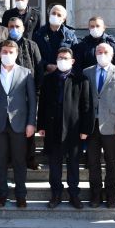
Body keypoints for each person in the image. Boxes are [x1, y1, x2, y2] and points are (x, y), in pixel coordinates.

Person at [0, 40, 36, 208]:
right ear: (0, 54)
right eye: (4, 52)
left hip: (19, 124)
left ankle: (21, 195)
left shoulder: (26, 73)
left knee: (19, 161)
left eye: (11, 52)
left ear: (16, 53)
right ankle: (2, 195)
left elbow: (32, 100)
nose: (7, 55)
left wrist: (31, 123)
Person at [38, 48, 89, 209]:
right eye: (60, 57)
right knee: (54, 164)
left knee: (73, 163)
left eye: (66, 58)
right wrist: (41, 125)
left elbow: (86, 106)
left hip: (74, 129)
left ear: (72, 61)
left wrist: (85, 129)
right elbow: (43, 104)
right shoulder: (48, 79)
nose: (62, 60)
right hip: (53, 128)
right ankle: (56, 194)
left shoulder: (81, 79)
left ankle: (74, 194)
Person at [82, 43, 115, 208]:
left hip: (112, 125)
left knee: (111, 162)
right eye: (99, 52)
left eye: (105, 52)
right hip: (91, 126)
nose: (102, 54)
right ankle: (96, 194)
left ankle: (111, 195)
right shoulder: (87, 72)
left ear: (111, 55)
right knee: (93, 162)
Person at [6, 17, 43, 170]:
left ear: (23, 28)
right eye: (11, 26)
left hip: (28, 94)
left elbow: (39, 68)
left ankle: (30, 159)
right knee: (10, 129)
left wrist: (36, 91)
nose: (14, 29)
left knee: (29, 128)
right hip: (9, 95)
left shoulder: (32, 45)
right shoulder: (3, 46)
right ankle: (10, 159)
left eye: (17, 26)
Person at [34, 5, 78, 75]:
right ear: (49, 15)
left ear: (63, 19)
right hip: (45, 74)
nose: (55, 16)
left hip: (64, 75)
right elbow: (35, 55)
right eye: (53, 13)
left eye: (59, 15)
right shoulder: (39, 34)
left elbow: (76, 55)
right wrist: (46, 65)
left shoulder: (70, 36)